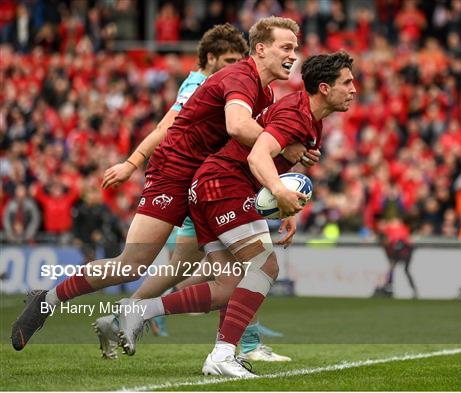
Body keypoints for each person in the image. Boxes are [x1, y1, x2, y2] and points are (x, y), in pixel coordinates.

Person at [11, 16, 316, 352]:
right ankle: (49, 300)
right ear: (260, 49)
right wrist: (132, 163)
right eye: (286, 47)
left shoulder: (266, 91)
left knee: (223, 274)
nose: (293, 55)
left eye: (295, 48)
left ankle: (221, 344)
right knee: (132, 265)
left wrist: (286, 184)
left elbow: (259, 149)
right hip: (175, 170)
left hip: (210, 180)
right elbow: (238, 127)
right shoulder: (239, 77)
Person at [115, 52, 356, 377]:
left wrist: (290, 206)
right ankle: (222, 354)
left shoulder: (310, 119)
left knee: (229, 285)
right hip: (223, 184)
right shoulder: (296, 115)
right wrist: (280, 192)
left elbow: (280, 166)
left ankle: (143, 310)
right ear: (325, 88)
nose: (354, 88)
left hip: (214, 185)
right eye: (348, 82)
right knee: (265, 264)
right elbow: (258, 156)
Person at [94, 23, 290, 362]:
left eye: (238, 59)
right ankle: (134, 314)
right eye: (228, 59)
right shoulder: (200, 83)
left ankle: (140, 315)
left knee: (219, 268)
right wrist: (132, 162)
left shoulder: (243, 82)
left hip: (208, 182)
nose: (234, 65)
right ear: (210, 59)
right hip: (194, 183)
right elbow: (165, 127)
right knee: (207, 266)